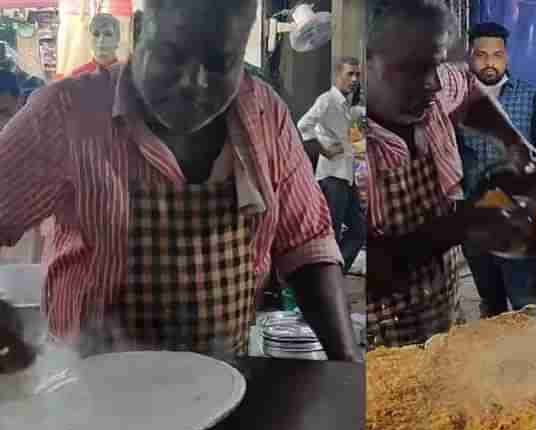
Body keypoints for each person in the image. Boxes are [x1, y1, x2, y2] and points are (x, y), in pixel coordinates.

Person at [0, 0, 359, 362]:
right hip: (88, 393)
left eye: (220, 64)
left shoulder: (267, 114)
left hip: (225, 387)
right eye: (171, 55)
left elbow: (307, 247)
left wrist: (346, 363)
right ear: (139, 31)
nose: (193, 83)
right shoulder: (66, 112)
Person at [365, 0, 536, 347]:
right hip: (387, 332)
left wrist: (513, 143)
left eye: (435, 65)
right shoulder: (361, 149)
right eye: (416, 69)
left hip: (443, 308)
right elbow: (377, 264)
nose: (434, 84)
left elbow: (468, 92)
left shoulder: (436, 87)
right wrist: (468, 224)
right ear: (369, 62)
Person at [456, 22, 536, 317]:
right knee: (490, 304)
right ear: (471, 57)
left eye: (497, 55)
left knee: (526, 305)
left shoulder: (532, 98)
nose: (489, 62)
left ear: (507, 57)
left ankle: (531, 361)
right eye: (481, 55)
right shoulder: (455, 102)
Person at [297, 57, 366, 274]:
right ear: (338, 75)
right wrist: (323, 149)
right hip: (332, 178)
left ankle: (337, 272)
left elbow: (355, 142)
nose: (354, 79)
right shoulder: (327, 100)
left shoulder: (347, 107)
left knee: (360, 229)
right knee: (332, 232)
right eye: (349, 74)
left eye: (357, 74)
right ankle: (329, 278)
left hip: (347, 178)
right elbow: (303, 125)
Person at [66, 14, 122, 78]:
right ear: (89, 38)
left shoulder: (127, 75)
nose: (101, 40)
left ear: (117, 38)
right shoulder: (77, 76)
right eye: (96, 34)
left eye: (108, 34)